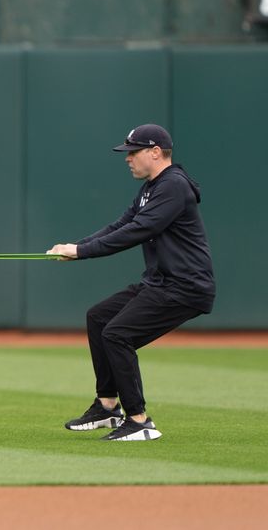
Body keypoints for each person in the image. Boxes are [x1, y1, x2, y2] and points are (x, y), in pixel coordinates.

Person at [47, 123, 215, 441]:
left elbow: (139, 231)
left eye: (133, 152)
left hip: (185, 287)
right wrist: (73, 246)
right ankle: (108, 406)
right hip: (160, 282)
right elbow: (121, 224)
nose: (128, 158)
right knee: (99, 317)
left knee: (117, 335)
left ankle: (138, 420)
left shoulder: (174, 185)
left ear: (155, 152)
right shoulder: (152, 187)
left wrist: (81, 251)